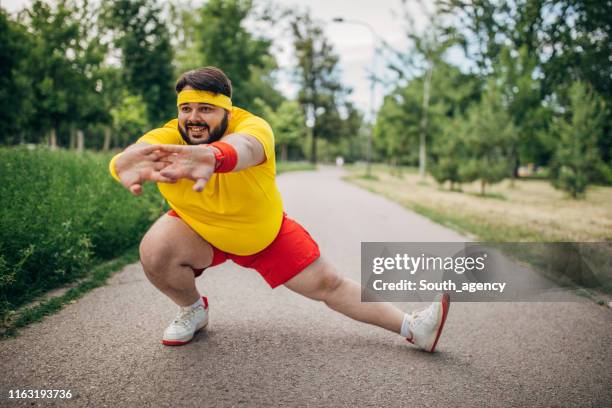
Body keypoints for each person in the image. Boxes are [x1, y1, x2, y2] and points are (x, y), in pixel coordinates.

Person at [109, 66, 450, 351]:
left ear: (227, 111)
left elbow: (244, 148)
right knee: (154, 251)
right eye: (186, 109)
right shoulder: (170, 136)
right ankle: (193, 310)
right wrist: (123, 162)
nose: (193, 118)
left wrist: (213, 156)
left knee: (329, 284)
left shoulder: (252, 127)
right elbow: (140, 152)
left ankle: (414, 328)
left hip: (263, 234)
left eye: (205, 109)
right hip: (199, 231)